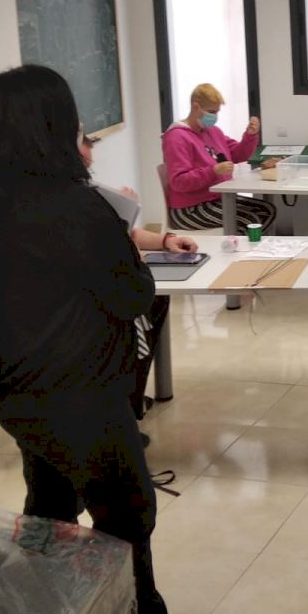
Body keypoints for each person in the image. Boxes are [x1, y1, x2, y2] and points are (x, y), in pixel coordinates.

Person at [0, 64, 167, 614]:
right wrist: (123, 236)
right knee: (128, 511)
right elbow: (132, 296)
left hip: (13, 386)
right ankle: (135, 603)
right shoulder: (81, 208)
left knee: (51, 496)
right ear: (54, 128)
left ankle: (40, 594)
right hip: (76, 388)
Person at [81, 134, 197, 432]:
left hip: (103, 299)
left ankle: (129, 400)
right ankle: (125, 407)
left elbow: (131, 234)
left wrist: (166, 240)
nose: (91, 152)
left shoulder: (87, 192)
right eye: (85, 143)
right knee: (144, 303)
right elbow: (111, 253)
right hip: (90, 310)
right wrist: (121, 219)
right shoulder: (73, 202)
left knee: (155, 299)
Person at [162, 82, 275, 233]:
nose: (214, 117)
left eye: (216, 112)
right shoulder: (176, 137)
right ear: (195, 107)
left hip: (217, 199)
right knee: (251, 221)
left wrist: (250, 136)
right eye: (211, 112)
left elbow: (237, 155)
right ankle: (238, 247)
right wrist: (213, 171)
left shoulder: (213, 131)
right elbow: (179, 182)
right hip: (189, 209)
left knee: (267, 211)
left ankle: (249, 245)